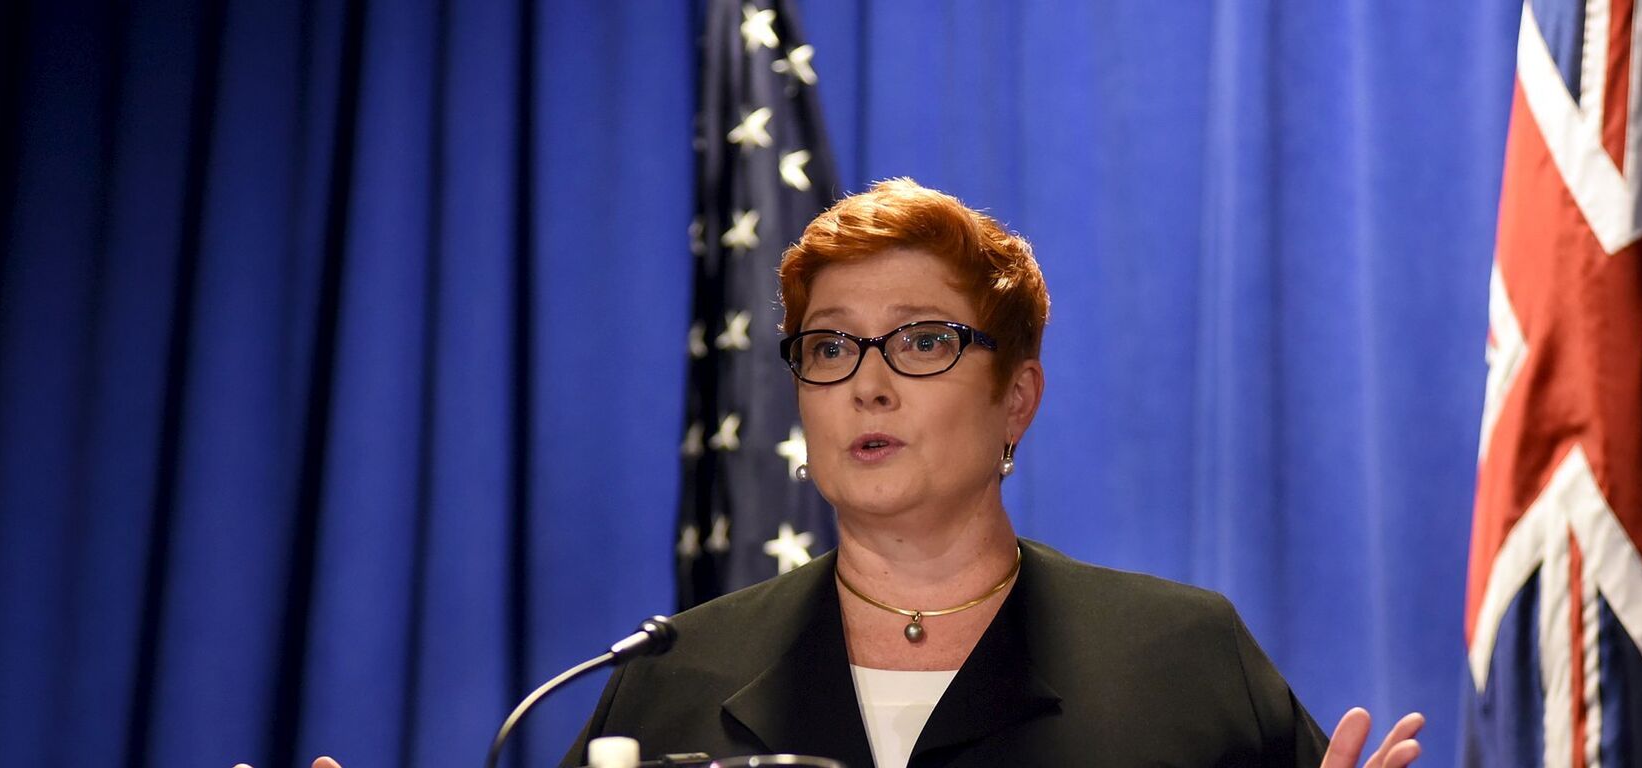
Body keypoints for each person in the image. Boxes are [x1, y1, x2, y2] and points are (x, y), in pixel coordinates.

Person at [558, 179, 1423, 768]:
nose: (867, 383)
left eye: (923, 341)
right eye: (828, 346)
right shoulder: (671, 676)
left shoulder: (1185, 662)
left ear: (1016, 400)